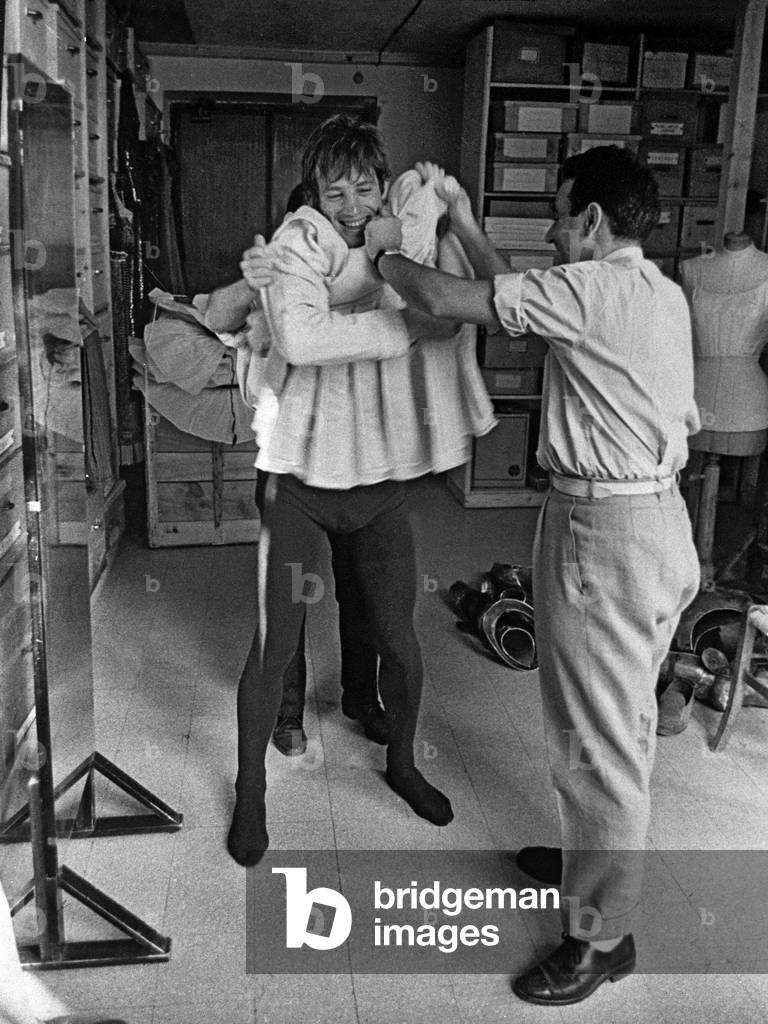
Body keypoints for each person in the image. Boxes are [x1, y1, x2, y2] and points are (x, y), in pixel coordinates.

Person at [365, 148, 701, 1005]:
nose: (550, 234)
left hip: (607, 535)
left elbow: (446, 298)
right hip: (652, 525)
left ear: (592, 221)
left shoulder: (589, 291)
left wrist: (381, 252)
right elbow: (508, 293)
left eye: (558, 217)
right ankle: (594, 865)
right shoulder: (653, 291)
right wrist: (464, 223)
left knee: (600, 743)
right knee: (615, 720)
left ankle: (601, 939)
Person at [226, 114, 494, 867]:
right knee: (275, 643)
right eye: (334, 190)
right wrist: (403, 324)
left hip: (378, 479)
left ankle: (402, 763)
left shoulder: (401, 244)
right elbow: (304, 340)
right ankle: (251, 790)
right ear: (314, 193)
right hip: (298, 480)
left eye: (364, 187)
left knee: (399, 640)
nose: (350, 204)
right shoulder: (295, 244)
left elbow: (457, 311)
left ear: (382, 186)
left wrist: (441, 224)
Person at [200, 187, 386, 757]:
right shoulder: (275, 280)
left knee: (363, 588)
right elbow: (215, 315)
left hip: (360, 464)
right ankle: (287, 715)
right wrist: (256, 279)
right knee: (288, 596)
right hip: (288, 467)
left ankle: (362, 697)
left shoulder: (370, 279)